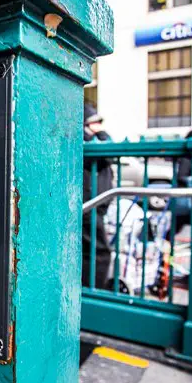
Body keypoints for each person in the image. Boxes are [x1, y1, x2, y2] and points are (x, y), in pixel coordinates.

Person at [82, 105, 114, 289]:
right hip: (90, 205)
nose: (100, 126)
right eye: (96, 122)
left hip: (96, 204)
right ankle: (94, 292)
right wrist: (100, 134)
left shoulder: (92, 139)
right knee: (99, 252)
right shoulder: (85, 140)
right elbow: (107, 152)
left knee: (93, 250)